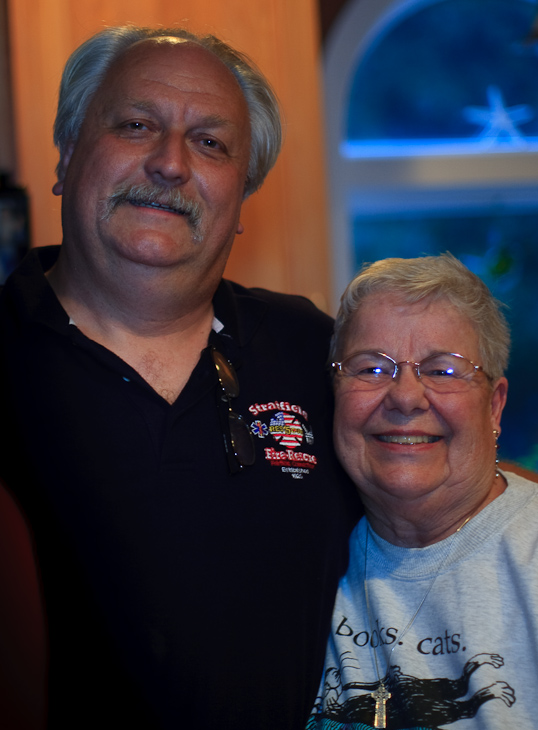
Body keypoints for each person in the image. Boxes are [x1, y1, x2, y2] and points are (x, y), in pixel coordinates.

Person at [0, 25, 360, 729]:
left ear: (243, 196)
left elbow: (440, 501)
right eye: (136, 125)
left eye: (211, 143)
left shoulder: (314, 348)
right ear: (68, 157)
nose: (169, 163)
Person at [307, 253, 538, 729]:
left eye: (442, 370)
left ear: (495, 407)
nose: (404, 397)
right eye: (372, 368)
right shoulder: (302, 557)